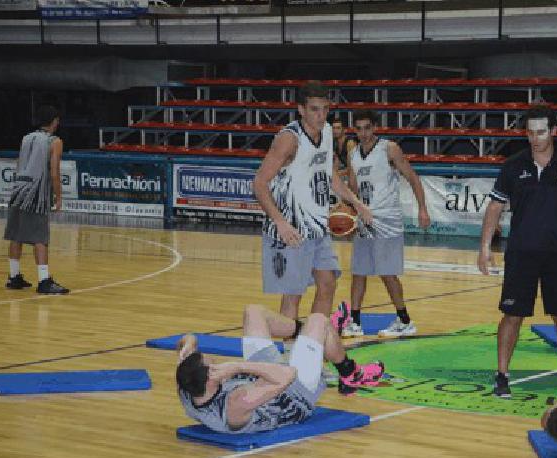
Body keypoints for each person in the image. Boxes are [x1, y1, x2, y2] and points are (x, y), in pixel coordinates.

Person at [477, 104, 557, 398]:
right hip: (521, 253)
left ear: (554, 131)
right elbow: (494, 207)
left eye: (541, 132)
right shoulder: (512, 165)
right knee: (512, 315)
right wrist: (484, 248)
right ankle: (502, 376)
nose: (535, 138)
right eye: (530, 133)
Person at [252, 81, 372, 323]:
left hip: (317, 226)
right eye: (315, 109)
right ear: (301, 109)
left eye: (325, 109)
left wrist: (355, 202)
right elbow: (259, 184)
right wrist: (281, 223)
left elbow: (330, 174)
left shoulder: (327, 131)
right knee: (292, 296)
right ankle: (287, 356)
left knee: (327, 283)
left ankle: (313, 345)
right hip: (292, 229)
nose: (321, 115)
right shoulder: (289, 139)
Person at [175, 303, 386, 433]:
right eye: (213, 364)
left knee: (254, 312)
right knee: (318, 320)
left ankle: (320, 337)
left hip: (258, 378)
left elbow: (188, 339)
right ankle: (350, 373)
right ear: (211, 377)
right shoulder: (234, 404)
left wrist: (188, 343)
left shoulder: (188, 386)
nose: (216, 361)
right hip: (294, 393)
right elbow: (288, 374)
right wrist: (237, 365)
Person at [340, 110, 431, 338]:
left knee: (387, 273)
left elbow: (412, 177)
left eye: (367, 128)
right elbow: (352, 186)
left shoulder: (389, 149)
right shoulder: (353, 154)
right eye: (359, 129)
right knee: (359, 272)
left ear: (375, 127)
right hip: (363, 219)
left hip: (387, 219)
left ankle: (405, 320)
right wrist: (346, 210)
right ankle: (355, 321)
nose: (363, 133)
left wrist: (422, 208)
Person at [3, 104, 70, 295]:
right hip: (36, 193)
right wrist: (58, 197)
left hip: (18, 189)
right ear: (54, 121)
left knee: (16, 235)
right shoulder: (54, 141)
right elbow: (55, 172)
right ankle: (44, 280)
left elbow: (19, 164)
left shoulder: (26, 138)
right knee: (40, 237)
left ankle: (14, 277)